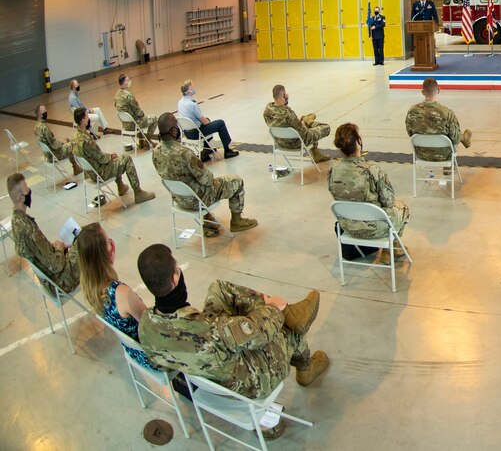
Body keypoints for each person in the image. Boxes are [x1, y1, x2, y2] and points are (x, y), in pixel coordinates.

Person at [136, 244, 329, 436]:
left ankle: (290, 313)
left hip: (207, 382)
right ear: (175, 278)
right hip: (249, 384)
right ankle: (305, 368)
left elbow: (161, 365)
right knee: (287, 329)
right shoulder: (212, 328)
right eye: (178, 268)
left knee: (219, 289)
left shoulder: (146, 326)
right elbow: (260, 334)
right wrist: (274, 308)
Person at [152, 113, 258, 235]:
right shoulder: (185, 153)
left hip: (179, 199)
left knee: (194, 184)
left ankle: (209, 224)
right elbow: (207, 179)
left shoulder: (156, 152)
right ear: (174, 131)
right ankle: (237, 221)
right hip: (197, 201)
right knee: (236, 180)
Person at [76, 222, 159, 371]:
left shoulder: (90, 288)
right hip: (151, 356)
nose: (112, 243)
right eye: (109, 241)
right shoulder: (122, 293)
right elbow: (152, 326)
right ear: (107, 253)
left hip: (132, 351)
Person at [328, 123, 411, 261]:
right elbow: (388, 201)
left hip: (348, 227)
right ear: (359, 141)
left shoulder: (333, 170)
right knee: (402, 208)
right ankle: (389, 250)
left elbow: (337, 196)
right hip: (374, 228)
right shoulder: (372, 170)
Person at [7, 172, 81, 293]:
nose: (29, 191)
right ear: (21, 198)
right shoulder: (29, 229)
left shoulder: (16, 221)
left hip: (48, 279)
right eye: (27, 190)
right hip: (61, 281)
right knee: (89, 239)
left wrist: (54, 248)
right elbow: (56, 266)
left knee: (83, 236)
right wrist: (59, 248)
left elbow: (38, 251)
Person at [72, 107, 156, 204]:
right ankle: (138, 193)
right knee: (126, 158)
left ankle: (121, 186)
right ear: (83, 120)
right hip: (100, 173)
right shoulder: (87, 141)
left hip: (90, 172)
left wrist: (109, 156)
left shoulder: (75, 137)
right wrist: (110, 156)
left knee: (114, 158)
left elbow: (94, 156)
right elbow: (101, 158)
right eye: (87, 116)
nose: (89, 118)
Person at [405, 77, 472, 161]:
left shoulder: (412, 111)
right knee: (454, 138)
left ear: (422, 92)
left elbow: (410, 133)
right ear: (439, 90)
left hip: (421, 154)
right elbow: (456, 139)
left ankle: (464, 138)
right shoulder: (447, 113)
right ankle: (463, 140)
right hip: (444, 155)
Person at [263, 85, 331, 163]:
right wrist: (305, 123)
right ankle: (309, 120)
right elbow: (303, 132)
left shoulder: (267, 111)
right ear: (284, 95)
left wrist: (285, 102)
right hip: (296, 143)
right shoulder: (288, 114)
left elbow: (280, 113)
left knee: (301, 124)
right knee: (326, 127)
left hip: (280, 143)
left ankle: (317, 155)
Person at [178, 79, 239, 161]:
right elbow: (204, 121)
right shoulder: (192, 104)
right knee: (220, 123)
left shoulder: (180, 102)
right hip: (196, 133)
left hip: (187, 133)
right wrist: (209, 122)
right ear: (189, 91)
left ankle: (206, 149)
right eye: (192, 87)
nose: (194, 88)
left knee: (207, 121)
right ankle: (227, 151)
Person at [34, 104, 81, 175]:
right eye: (44, 111)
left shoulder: (36, 127)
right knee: (71, 144)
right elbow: (54, 145)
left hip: (47, 155)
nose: (46, 112)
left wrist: (63, 142)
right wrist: (63, 143)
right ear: (39, 114)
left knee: (67, 140)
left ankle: (76, 166)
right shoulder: (44, 128)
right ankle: (76, 167)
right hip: (54, 155)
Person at [114, 73, 157, 149]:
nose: (129, 81)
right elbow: (138, 111)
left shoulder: (116, 95)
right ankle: (147, 140)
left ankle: (141, 142)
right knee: (154, 118)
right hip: (134, 125)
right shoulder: (128, 95)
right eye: (128, 80)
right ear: (124, 83)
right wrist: (143, 116)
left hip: (125, 125)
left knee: (138, 119)